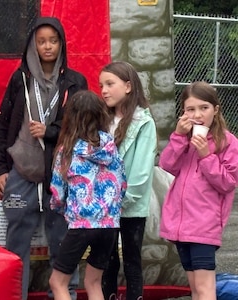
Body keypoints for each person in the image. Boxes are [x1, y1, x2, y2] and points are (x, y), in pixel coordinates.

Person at [0, 17, 88, 300]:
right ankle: (14, 296)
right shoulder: (20, 78)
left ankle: (64, 295)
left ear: (62, 44)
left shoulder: (75, 81)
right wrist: (0, 168)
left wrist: (50, 131)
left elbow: (82, 126)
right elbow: (2, 124)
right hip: (21, 172)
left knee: (62, 240)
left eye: (53, 40)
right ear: (32, 45)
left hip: (61, 173)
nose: (48, 46)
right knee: (16, 242)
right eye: (41, 41)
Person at [159, 81, 238, 300]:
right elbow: (167, 165)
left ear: (216, 109)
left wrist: (206, 156)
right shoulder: (184, 139)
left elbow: (228, 182)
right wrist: (178, 136)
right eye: (191, 109)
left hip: (204, 226)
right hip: (180, 226)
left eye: (204, 108)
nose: (198, 114)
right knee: (195, 289)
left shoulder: (228, 142)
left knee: (205, 290)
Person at [48, 90, 127, 300]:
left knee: (57, 282)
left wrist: (59, 209)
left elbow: (57, 192)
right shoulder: (111, 149)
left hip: (81, 225)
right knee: (93, 283)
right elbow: (123, 185)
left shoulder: (68, 150)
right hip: (110, 226)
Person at [99, 61, 157, 300]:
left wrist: (121, 198)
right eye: (101, 84)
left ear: (128, 86)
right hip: (103, 206)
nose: (103, 90)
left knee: (132, 261)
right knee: (107, 262)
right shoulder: (101, 120)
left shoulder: (144, 123)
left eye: (110, 84)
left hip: (130, 205)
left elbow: (142, 171)